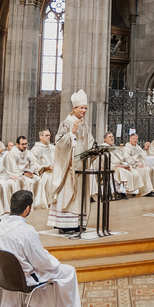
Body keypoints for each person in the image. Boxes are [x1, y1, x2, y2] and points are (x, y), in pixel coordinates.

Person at [0, 190, 83, 307]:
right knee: (68, 271)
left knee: (22, 267)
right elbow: (41, 261)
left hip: (4, 276)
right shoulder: (26, 230)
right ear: (27, 209)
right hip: (24, 279)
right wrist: (54, 263)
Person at [50, 90, 94, 234]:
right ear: (74, 108)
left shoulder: (85, 125)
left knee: (80, 195)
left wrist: (93, 150)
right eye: (81, 108)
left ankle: (77, 223)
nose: (84, 110)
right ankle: (65, 225)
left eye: (85, 108)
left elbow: (89, 141)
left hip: (81, 165)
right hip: (69, 166)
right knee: (68, 194)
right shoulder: (66, 123)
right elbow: (58, 143)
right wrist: (72, 133)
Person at [28, 129, 55, 208]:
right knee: (50, 178)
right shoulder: (36, 149)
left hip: (55, 170)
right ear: (41, 137)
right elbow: (34, 164)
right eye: (46, 135)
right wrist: (46, 168)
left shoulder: (53, 148)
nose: (48, 137)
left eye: (49, 135)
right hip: (44, 172)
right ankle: (51, 201)